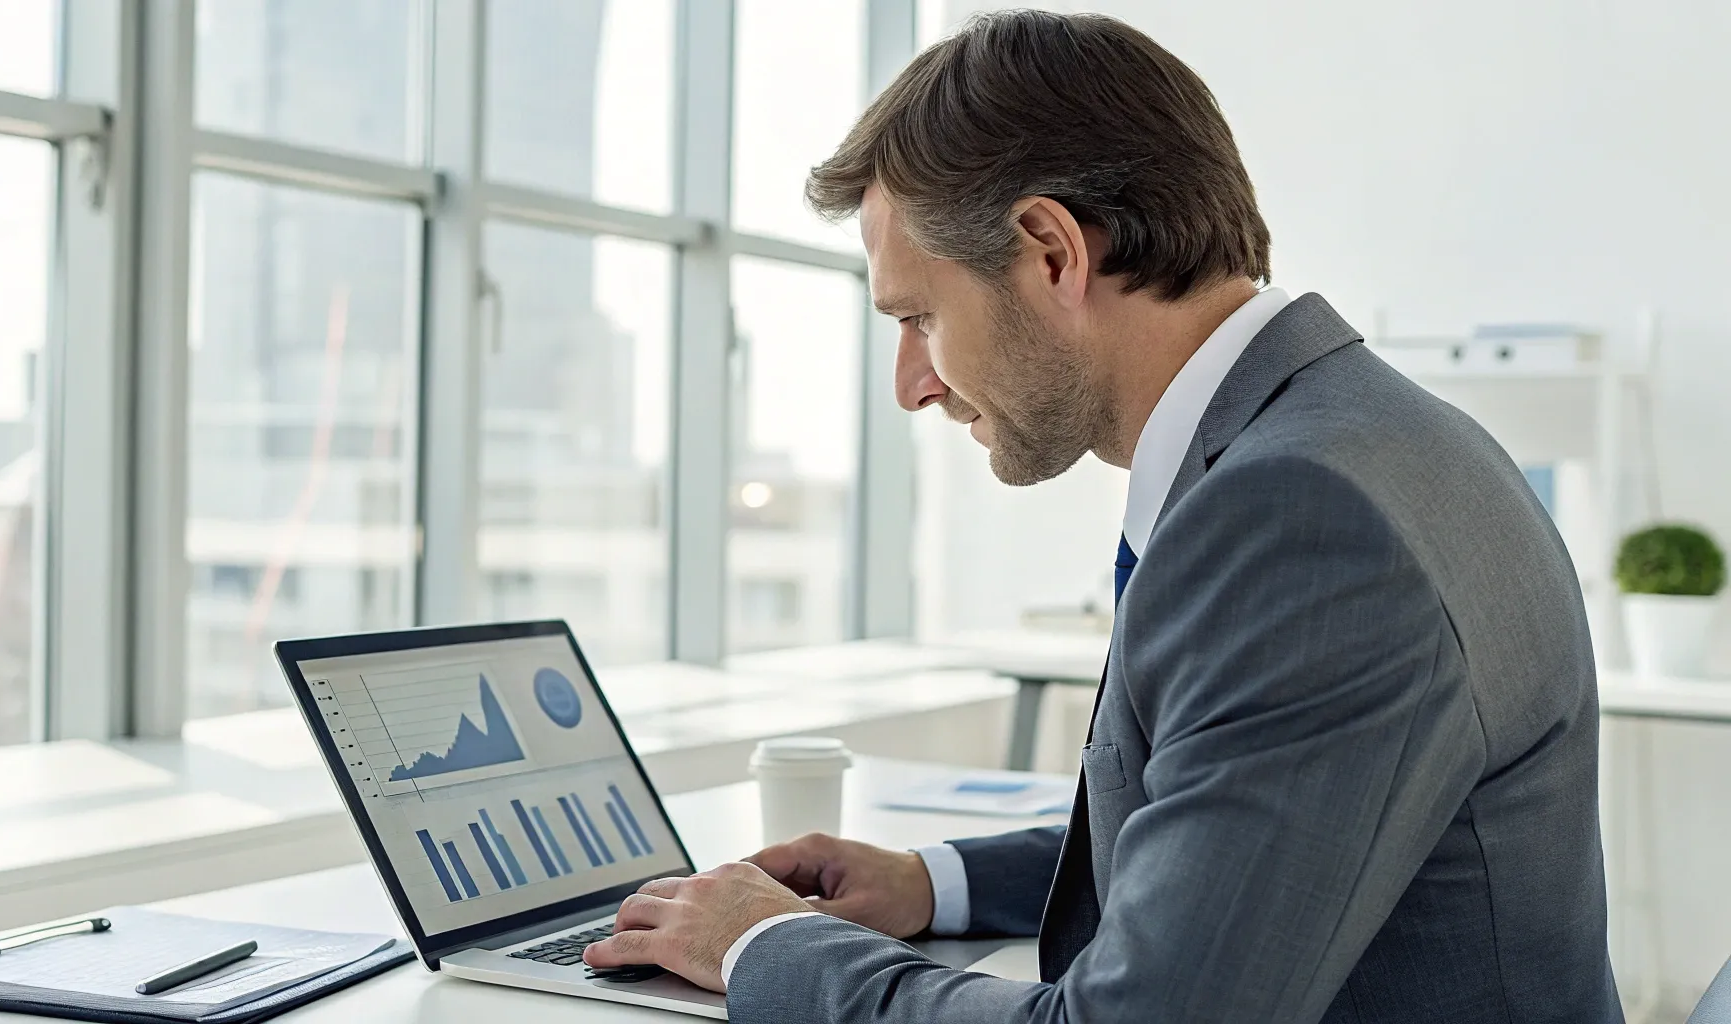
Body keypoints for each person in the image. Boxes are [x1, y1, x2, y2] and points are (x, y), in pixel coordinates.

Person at [583, 9, 1623, 1023]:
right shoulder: (1381, 438)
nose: (911, 384)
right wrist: (931, 881)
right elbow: (1257, 833)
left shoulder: (1294, 517)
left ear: (1048, 252)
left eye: (917, 317)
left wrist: (762, 945)